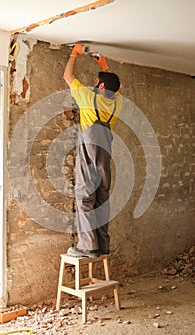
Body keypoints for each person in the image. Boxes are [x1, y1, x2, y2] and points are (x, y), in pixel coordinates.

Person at [63, 44, 122, 258]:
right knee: (101, 199)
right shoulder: (116, 104)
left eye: (97, 82)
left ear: (101, 86)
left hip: (89, 156)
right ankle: (102, 244)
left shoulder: (89, 98)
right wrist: (104, 65)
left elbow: (67, 75)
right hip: (104, 159)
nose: (93, 84)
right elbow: (117, 88)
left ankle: (87, 246)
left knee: (85, 198)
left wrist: (74, 54)